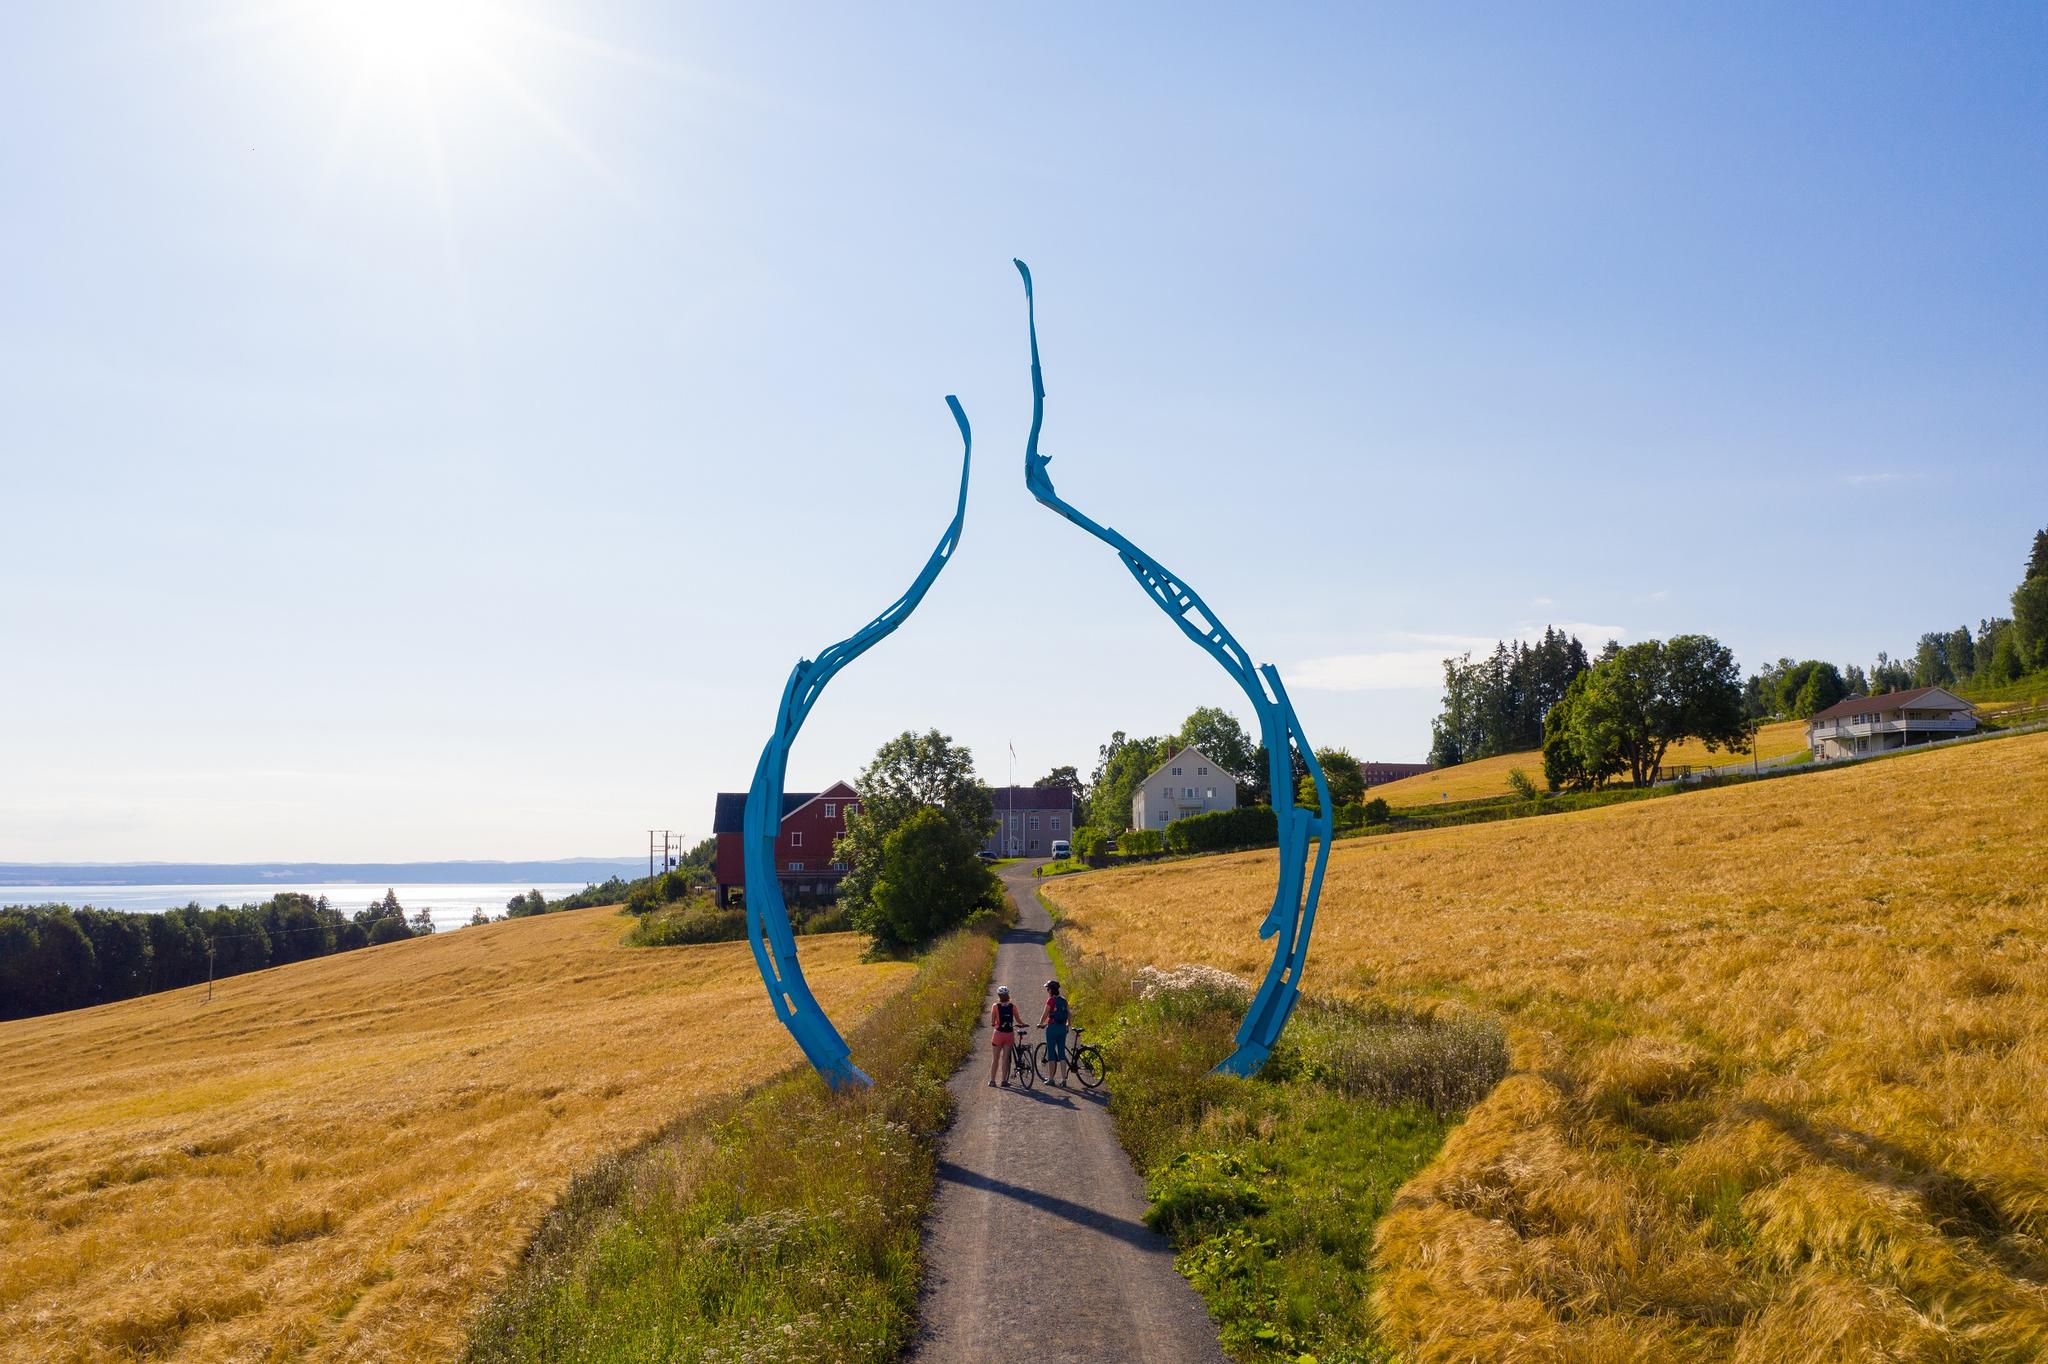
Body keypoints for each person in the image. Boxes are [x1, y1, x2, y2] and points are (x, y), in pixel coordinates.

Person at [988, 985, 1022, 1086]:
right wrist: (1023, 1024)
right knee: (1005, 1059)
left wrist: (994, 1023)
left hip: (998, 1034)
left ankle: (992, 1081)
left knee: (995, 1059)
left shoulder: (995, 1006)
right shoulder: (1013, 1006)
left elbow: (992, 1021)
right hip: (1009, 1034)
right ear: (1008, 995)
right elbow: (1018, 1020)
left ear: (999, 995)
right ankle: (1004, 1081)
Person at [1040, 978, 1071, 1087]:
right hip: (1062, 1028)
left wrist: (1040, 1023)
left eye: (1047, 989)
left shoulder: (1051, 1000)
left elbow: (1045, 1014)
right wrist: (1068, 1024)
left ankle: (1051, 1079)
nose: (1047, 991)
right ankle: (1064, 1080)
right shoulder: (1063, 1000)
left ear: (1051, 990)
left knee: (1051, 1054)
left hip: (1052, 1028)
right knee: (1062, 1053)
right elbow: (1069, 1013)